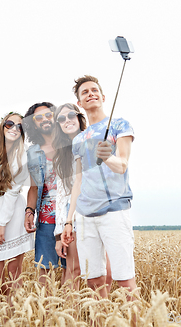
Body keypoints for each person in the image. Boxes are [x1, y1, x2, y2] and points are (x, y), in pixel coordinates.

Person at [62, 75, 137, 300]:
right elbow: (78, 182)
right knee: (93, 281)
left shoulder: (120, 125)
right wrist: (69, 220)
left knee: (125, 281)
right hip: (85, 216)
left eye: (94, 90)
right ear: (79, 104)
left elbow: (122, 165)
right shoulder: (78, 140)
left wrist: (107, 157)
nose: (90, 94)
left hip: (114, 211)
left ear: (103, 97)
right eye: (85, 92)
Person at [52, 103, 112, 291]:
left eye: (71, 115)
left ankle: (100, 317)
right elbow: (61, 195)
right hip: (74, 219)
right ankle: (72, 319)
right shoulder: (61, 155)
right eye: (61, 118)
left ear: (79, 117)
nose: (67, 120)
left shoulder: (94, 140)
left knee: (105, 273)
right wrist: (59, 232)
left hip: (100, 213)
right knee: (74, 271)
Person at [0, 112, 34, 296]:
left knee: (13, 274)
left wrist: (1, 224)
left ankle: (13, 317)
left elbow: (12, 192)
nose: (14, 128)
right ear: (3, 126)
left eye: (19, 126)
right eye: (9, 124)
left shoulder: (23, 155)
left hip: (12, 212)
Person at [23, 102, 66, 286]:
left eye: (48, 115)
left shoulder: (70, 143)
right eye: (38, 117)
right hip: (46, 218)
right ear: (33, 124)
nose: (44, 119)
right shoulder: (32, 153)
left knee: (70, 268)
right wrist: (29, 212)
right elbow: (33, 187)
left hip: (70, 214)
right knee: (44, 271)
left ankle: (69, 310)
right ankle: (46, 314)